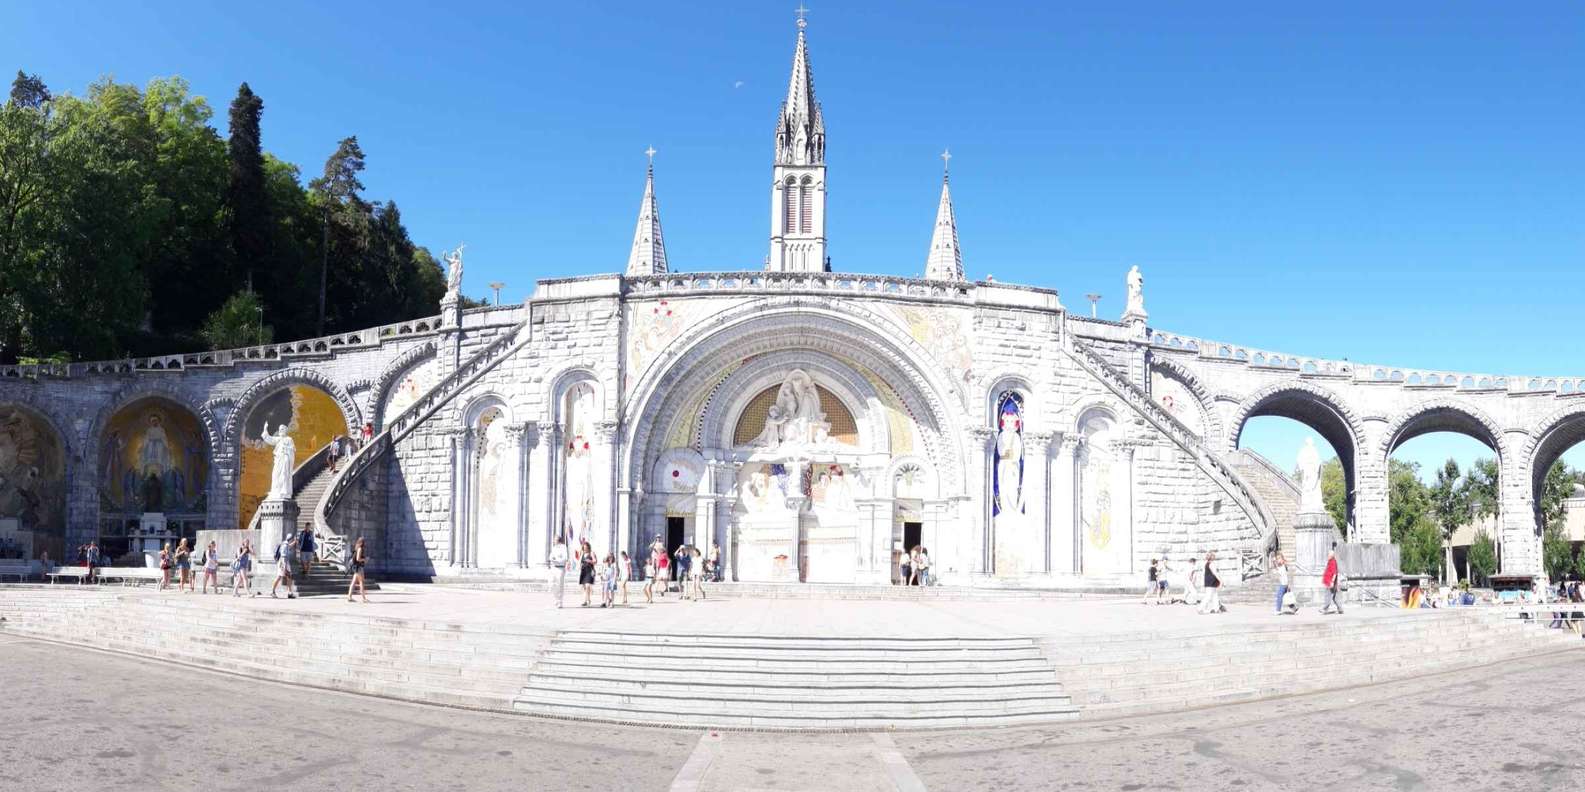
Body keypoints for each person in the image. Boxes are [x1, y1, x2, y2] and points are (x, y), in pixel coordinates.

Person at [271, 534, 298, 599]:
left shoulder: (286, 544)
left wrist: (295, 542)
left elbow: (289, 546)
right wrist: (284, 566)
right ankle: (272, 591)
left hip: (285, 562)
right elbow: (283, 555)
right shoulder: (285, 545)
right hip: (283, 562)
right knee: (279, 577)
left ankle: (289, 593)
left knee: (289, 577)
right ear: (290, 539)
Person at [1320, 543, 1344, 615]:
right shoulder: (1330, 561)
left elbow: (1334, 573)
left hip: (1330, 582)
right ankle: (1340, 609)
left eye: (1328, 555)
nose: (1327, 556)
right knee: (1335, 597)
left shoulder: (1333, 562)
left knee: (1328, 595)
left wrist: (1332, 582)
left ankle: (1325, 608)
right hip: (1329, 582)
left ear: (1332, 555)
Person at [347, 537, 370, 603]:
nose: (365, 544)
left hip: (356, 567)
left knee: (353, 582)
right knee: (361, 582)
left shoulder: (357, 548)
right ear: (362, 542)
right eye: (364, 542)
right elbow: (358, 559)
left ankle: (349, 597)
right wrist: (365, 559)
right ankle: (363, 598)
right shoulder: (360, 549)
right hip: (359, 567)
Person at [549, 537, 569, 608]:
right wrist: (552, 559)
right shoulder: (554, 548)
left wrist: (557, 560)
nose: (554, 541)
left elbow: (565, 558)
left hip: (560, 568)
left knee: (560, 585)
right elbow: (550, 556)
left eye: (555, 540)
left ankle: (560, 601)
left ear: (558, 540)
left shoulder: (564, 548)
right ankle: (556, 598)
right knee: (551, 584)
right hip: (553, 567)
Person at [578, 540, 596, 607]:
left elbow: (595, 561)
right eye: (584, 548)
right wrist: (580, 566)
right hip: (583, 571)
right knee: (584, 587)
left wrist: (590, 561)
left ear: (588, 547)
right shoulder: (582, 554)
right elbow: (580, 562)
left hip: (589, 571)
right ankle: (587, 600)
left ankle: (586, 601)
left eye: (586, 548)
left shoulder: (591, 553)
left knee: (588, 586)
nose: (585, 549)